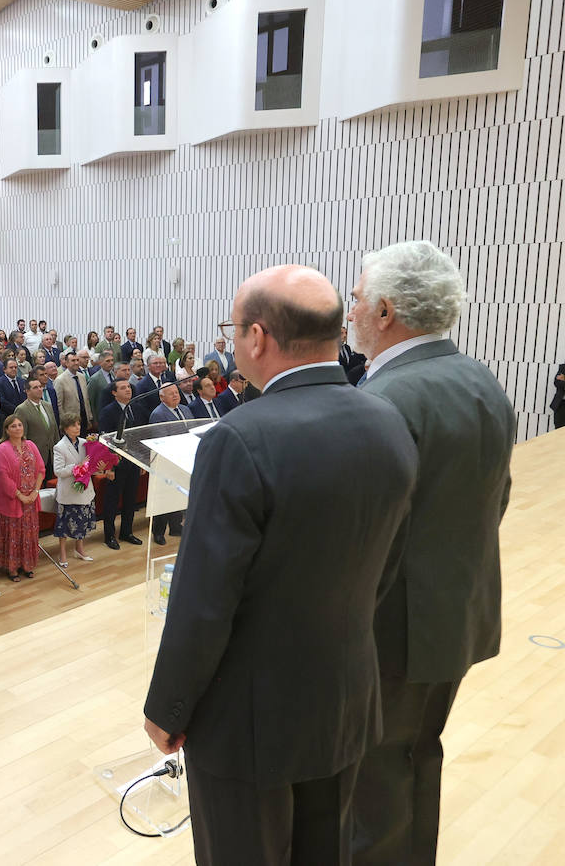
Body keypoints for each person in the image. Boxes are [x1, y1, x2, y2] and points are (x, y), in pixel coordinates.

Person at [143, 265, 419, 866]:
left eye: (234, 328)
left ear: (258, 337)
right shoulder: (388, 420)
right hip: (344, 697)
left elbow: (203, 602)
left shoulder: (237, 439)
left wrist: (167, 709)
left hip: (249, 724)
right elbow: (385, 566)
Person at [346, 241, 516, 864]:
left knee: (374, 782)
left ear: (386, 311)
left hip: (392, 632)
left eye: (358, 297)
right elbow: (495, 500)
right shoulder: (480, 379)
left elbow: (361, 541)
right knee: (417, 754)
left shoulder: (381, 401)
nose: (351, 310)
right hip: (458, 615)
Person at [0, 415, 43, 582]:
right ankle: (12, 568)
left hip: (31, 500)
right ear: (7, 430)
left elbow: (42, 469)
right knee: (13, 534)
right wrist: (20, 495)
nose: (18, 428)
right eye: (13, 426)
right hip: (13, 500)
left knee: (29, 533)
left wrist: (35, 492)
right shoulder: (2, 449)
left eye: (20, 425)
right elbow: (2, 477)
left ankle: (27, 565)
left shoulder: (31, 445)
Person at [96, 379, 144, 548]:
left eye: (129, 387)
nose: (128, 390)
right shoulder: (108, 412)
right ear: (114, 393)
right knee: (112, 501)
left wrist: (141, 461)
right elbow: (104, 440)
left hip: (133, 461)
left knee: (131, 499)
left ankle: (127, 532)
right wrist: (108, 466)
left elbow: (139, 437)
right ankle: (109, 535)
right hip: (116, 464)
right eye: (123, 388)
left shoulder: (136, 408)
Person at [52, 414, 96, 567]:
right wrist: (78, 467)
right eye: (73, 425)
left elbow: (91, 465)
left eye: (78, 424)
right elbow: (58, 471)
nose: (77, 427)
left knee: (82, 522)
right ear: (65, 429)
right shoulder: (59, 447)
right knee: (64, 525)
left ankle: (79, 549)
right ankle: (62, 553)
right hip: (69, 492)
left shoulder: (85, 443)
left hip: (84, 490)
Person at [12, 379, 59, 465]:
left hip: (52, 455)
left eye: (40, 387)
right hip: (34, 456)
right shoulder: (22, 409)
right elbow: (21, 436)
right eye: (35, 387)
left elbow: (55, 430)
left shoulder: (47, 406)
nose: (39, 389)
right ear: (27, 391)